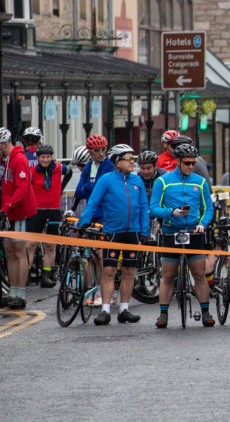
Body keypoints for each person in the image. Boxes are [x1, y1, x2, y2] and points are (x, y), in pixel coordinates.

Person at [79, 145, 149, 325]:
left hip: (132, 233)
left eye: (133, 159)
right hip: (112, 232)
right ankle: (105, 310)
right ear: (117, 162)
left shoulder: (137, 181)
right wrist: (82, 223)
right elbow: (93, 203)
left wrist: (145, 232)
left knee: (129, 271)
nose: (132, 162)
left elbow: (143, 209)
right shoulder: (106, 180)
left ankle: (124, 309)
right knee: (109, 271)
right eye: (128, 159)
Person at [150, 142, 215, 328]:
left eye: (193, 163)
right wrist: (171, 212)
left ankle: (205, 312)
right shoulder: (162, 182)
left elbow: (208, 209)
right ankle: (163, 314)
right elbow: (153, 208)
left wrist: (203, 224)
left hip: (193, 232)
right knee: (168, 276)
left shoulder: (200, 182)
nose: (191, 166)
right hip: (171, 233)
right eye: (187, 163)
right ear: (178, 161)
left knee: (199, 274)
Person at [0, 127, 37, 309]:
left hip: (19, 212)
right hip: (8, 211)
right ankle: (12, 290)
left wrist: (5, 209)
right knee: (9, 252)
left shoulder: (19, 159)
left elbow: (22, 188)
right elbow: (1, 186)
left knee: (19, 251)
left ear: (5, 144)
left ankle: (20, 293)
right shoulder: (6, 161)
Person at [27, 144, 72, 288]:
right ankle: (26, 274)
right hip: (37, 210)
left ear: (51, 157)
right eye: (42, 157)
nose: (45, 160)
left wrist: (61, 188)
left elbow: (69, 171)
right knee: (31, 244)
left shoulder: (59, 168)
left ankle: (46, 276)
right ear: (38, 158)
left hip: (53, 210)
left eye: (48, 157)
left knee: (50, 244)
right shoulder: (32, 172)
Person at [75, 135, 114, 212]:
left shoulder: (110, 166)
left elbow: (103, 189)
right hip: (91, 212)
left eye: (103, 149)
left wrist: (86, 186)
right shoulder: (87, 167)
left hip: (106, 213)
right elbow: (79, 192)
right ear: (90, 152)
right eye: (97, 150)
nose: (101, 153)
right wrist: (95, 187)